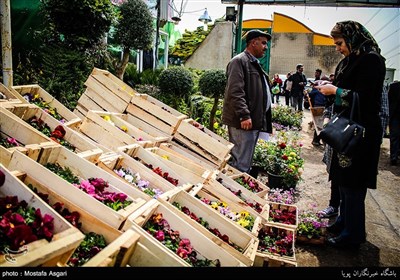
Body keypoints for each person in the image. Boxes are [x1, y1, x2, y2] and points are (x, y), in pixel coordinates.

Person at [316, 21, 386, 249]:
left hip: (361, 132)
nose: (337, 48)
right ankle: (344, 222)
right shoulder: (351, 60)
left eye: (339, 43)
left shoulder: (371, 60)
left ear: (352, 38)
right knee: (343, 181)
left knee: (354, 184)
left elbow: (366, 99)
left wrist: (335, 91)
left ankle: (354, 235)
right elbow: (346, 89)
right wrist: (328, 86)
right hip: (346, 129)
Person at [222, 29, 273, 174]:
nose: (266, 47)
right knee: (240, 162)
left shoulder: (253, 63)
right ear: (253, 43)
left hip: (252, 121)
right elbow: (235, 91)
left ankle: (238, 188)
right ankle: (233, 191)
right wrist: (244, 115)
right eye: (263, 43)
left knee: (245, 160)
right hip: (243, 122)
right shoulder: (239, 61)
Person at [388, 80, 400, 165]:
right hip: (395, 116)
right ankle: (394, 157)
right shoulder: (394, 87)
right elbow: (389, 101)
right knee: (394, 136)